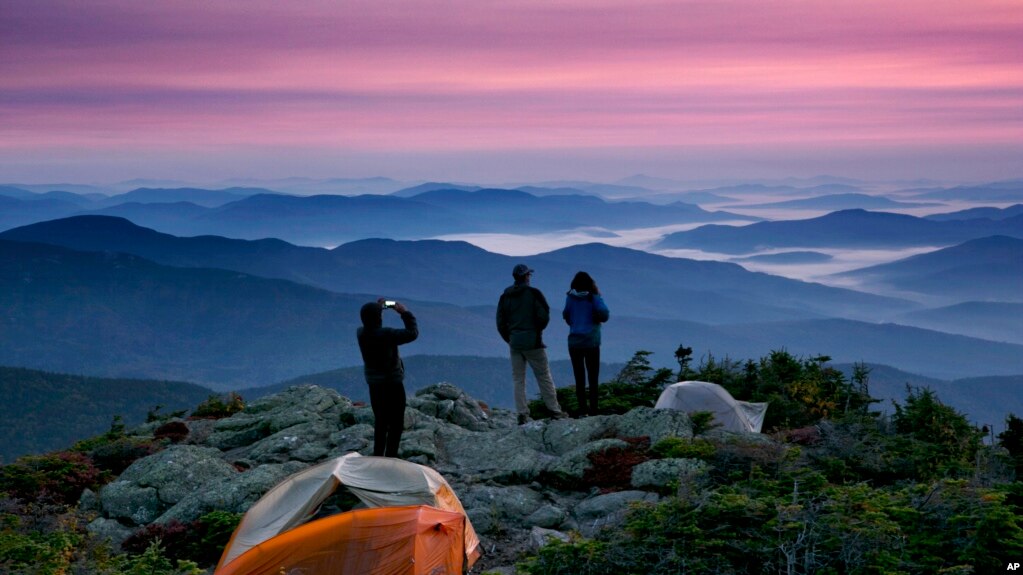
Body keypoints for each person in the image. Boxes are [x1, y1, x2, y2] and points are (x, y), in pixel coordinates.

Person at [497, 264, 569, 424]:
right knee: (543, 376)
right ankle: (555, 411)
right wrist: (536, 331)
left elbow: (500, 322)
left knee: (518, 378)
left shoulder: (505, 296)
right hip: (533, 342)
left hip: (515, 343)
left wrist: (510, 338)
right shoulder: (534, 293)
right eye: (529, 274)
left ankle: (522, 414)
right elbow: (544, 316)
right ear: (526, 276)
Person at [357, 298, 418, 457]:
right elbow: (412, 333)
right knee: (396, 422)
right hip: (393, 384)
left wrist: (380, 306)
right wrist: (403, 312)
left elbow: (370, 317)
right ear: (379, 318)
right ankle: (390, 456)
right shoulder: (387, 334)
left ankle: (377, 455)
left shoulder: (361, 333)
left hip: (374, 385)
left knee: (381, 421)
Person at [562, 271, 610, 416]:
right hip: (591, 342)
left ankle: (582, 410)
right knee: (593, 376)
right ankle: (594, 410)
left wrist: (575, 323)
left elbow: (566, 315)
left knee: (579, 377)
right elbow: (605, 313)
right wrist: (596, 318)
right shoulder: (593, 297)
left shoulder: (570, 298)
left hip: (574, 342)